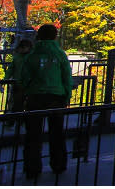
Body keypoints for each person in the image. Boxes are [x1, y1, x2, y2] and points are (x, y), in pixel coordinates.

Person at [20, 24, 72, 178]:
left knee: (33, 135)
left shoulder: (32, 55)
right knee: (57, 133)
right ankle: (59, 165)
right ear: (55, 36)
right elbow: (66, 77)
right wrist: (66, 95)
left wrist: (27, 91)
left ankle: (32, 168)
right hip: (56, 97)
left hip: (35, 97)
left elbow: (25, 77)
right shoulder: (59, 54)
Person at [3, 38, 33, 124]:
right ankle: (16, 121)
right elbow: (11, 68)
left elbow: (11, 69)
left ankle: (16, 121)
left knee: (20, 103)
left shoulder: (26, 57)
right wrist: (6, 78)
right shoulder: (19, 57)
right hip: (20, 83)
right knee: (17, 103)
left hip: (25, 83)